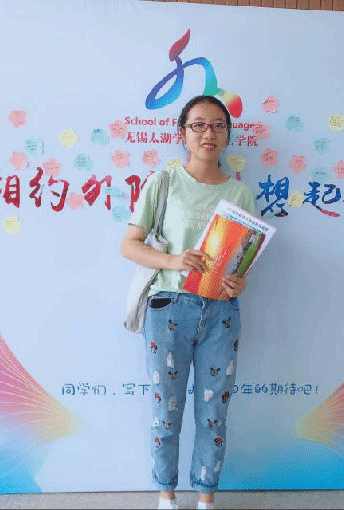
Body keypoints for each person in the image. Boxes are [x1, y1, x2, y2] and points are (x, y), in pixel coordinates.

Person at [121, 95, 256, 510]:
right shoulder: (163, 183)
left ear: (228, 134)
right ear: (183, 132)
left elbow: (243, 263)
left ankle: (206, 499)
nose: (208, 133)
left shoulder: (240, 193)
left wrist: (238, 283)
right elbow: (129, 245)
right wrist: (174, 261)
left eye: (217, 125)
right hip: (169, 309)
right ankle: (166, 496)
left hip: (221, 312)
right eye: (198, 124)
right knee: (166, 412)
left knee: (214, 414)